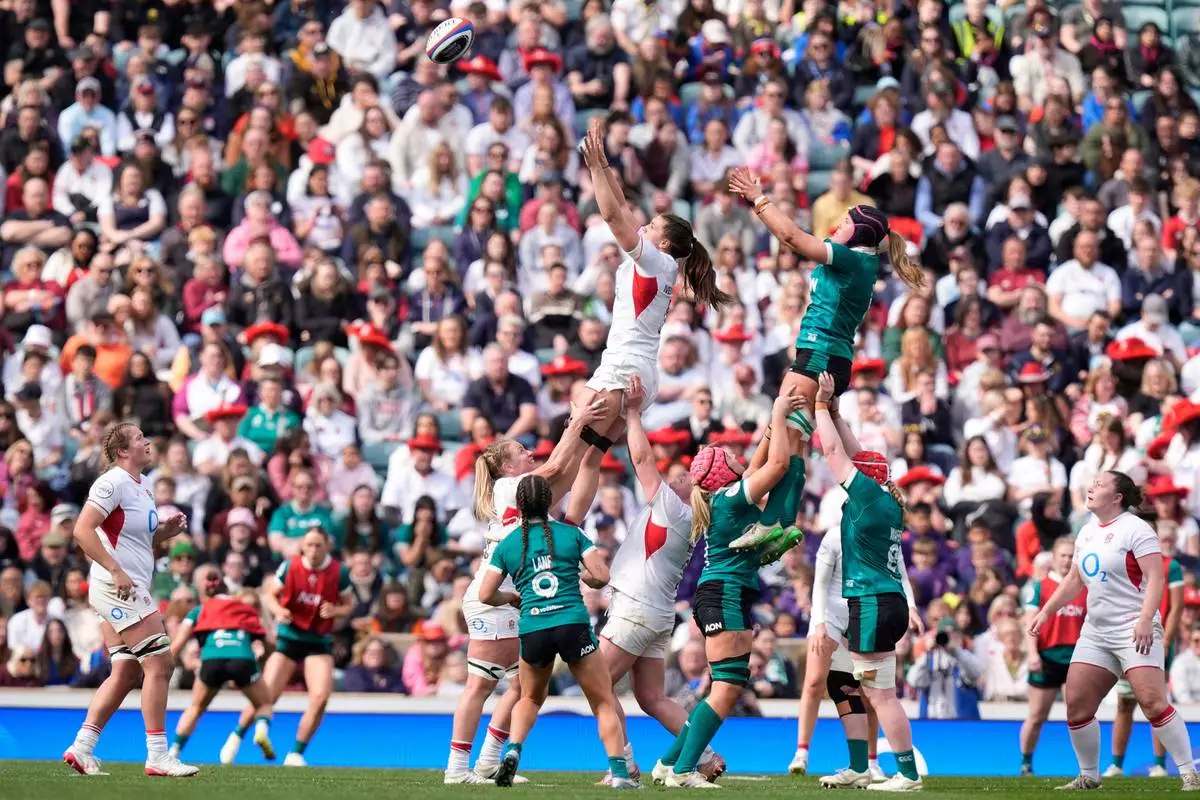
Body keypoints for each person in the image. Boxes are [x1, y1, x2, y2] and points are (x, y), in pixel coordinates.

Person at [726, 165, 924, 506]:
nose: (837, 225)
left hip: (820, 354)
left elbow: (791, 238)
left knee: (788, 443)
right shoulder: (856, 256)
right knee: (781, 432)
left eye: (846, 222)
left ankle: (776, 519)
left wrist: (758, 199)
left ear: (859, 234)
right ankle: (743, 495)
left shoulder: (851, 259)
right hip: (829, 356)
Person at [443, 398, 606, 785]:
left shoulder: (534, 501)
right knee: (483, 684)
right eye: (521, 450)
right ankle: (457, 768)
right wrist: (577, 424)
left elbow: (569, 475)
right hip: (494, 597)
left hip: (510, 599)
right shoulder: (507, 487)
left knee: (523, 686)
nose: (530, 453)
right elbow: (556, 467)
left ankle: (487, 762)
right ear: (505, 466)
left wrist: (593, 438)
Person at [651, 390, 804, 788]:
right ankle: (683, 772)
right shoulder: (733, 497)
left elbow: (759, 461)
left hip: (721, 593)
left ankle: (669, 763)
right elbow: (777, 465)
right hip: (726, 594)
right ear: (723, 471)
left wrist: (773, 427)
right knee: (725, 689)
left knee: (723, 688)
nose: (738, 455)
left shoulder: (726, 496)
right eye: (730, 454)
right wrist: (779, 411)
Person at [1029, 471, 1200, 791]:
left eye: (1100, 484)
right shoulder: (1086, 531)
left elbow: (1156, 578)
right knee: (1077, 706)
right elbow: (1075, 580)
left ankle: (1189, 772)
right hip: (1096, 631)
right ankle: (1089, 775)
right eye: (1092, 483)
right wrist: (1046, 611)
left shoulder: (1136, 529)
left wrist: (1146, 619)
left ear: (1118, 497)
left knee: (1153, 704)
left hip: (1133, 628)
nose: (1091, 487)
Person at [590, 376, 723, 784]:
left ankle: (623, 764)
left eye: (686, 476)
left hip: (635, 607)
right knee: (652, 697)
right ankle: (705, 757)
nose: (677, 475)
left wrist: (632, 412)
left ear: (694, 490)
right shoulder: (687, 515)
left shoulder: (673, 507)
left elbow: (643, 459)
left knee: (596, 683)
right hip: (657, 613)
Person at [573, 118, 730, 452]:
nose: (644, 223)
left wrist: (594, 169)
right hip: (638, 366)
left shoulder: (656, 260)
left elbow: (612, 217)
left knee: (570, 446)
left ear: (664, 243)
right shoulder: (659, 262)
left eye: (653, 225)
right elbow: (621, 205)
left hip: (624, 363)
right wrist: (604, 165)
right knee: (589, 458)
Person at [478, 474, 632, 789]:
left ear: (519, 505)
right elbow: (602, 576)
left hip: (534, 627)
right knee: (602, 700)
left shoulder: (509, 543)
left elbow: (485, 594)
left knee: (530, 698)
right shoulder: (571, 534)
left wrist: (512, 597)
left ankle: (513, 750)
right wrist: (583, 577)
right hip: (572, 624)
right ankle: (619, 773)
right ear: (550, 502)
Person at [62, 421, 197, 777]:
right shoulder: (112, 482)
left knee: (126, 670)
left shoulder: (144, 484)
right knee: (160, 664)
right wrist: (115, 570)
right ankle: (158, 755)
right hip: (118, 585)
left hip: (127, 584)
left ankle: (82, 747)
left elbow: (136, 540)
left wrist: (165, 531)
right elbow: (81, 530)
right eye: (139, 438)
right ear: (123, 451)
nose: (147, 441)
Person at [812, 372, 924, 791]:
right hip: (881, 601)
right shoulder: (883, 496)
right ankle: (860, 767)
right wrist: (837, 412)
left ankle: (907, 774)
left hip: (873, 602)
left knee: (881, 695)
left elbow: (833, 451)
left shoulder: (866, 497)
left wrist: (820, 407)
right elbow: (854, 451)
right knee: (842, 678)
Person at [791, 498, 923, 781]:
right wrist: (819, 623)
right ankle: (804, 753)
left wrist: (911, 606)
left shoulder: (882, 537)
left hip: (864, 613)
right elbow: (820, 584)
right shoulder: (834, 538)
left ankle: (871, 763)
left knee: (869, 691)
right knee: (820, 682)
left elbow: (900, 572)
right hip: (834, 614)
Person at [223, 527, 352, 768]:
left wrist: (336, 610)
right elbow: (270, 596)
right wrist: (279, 611)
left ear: (327, 546)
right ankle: (236, 736)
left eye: (318, 545)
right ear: (303, 546)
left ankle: (295, 753)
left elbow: (348, 604)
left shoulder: (339, 571)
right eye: (309, 545)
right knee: (266, 695)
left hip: (318, 640)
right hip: (290, 638)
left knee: (321, 697)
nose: (313, 550)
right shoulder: (290, 566)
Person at [1102, 525, 1186, 778]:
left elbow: (1176, 607)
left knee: (1156, 702)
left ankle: (1160, 765)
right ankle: (1116, 765)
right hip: (1127, 638)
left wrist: (1165, 641)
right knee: (1124, 702)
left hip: (1156, 639)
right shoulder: (1124, 563)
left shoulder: (1170, 566)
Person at [168, 575, 274, 762]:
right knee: (263, 703)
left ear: (205, 594)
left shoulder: (199, 610)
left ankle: (173, 752)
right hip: (242, 658)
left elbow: (178, 644)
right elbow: (269, 641)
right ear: (228, 591)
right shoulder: (244, 608)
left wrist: (162, 667)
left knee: (196, 708)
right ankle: (260, 731)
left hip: (212, 659)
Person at [1019, 536, 1085, 776]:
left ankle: (1085, 766)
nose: (1067, 560)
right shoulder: (1041, 586)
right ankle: (1026, 763)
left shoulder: (1085, 586)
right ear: (1054, 558)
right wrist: (1032, 654)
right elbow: (1030, 623)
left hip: (1076, 658)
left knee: (1079, 716)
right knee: (1037, 715)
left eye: (1071, 556)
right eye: (1063, 555)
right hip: (1047, 658)